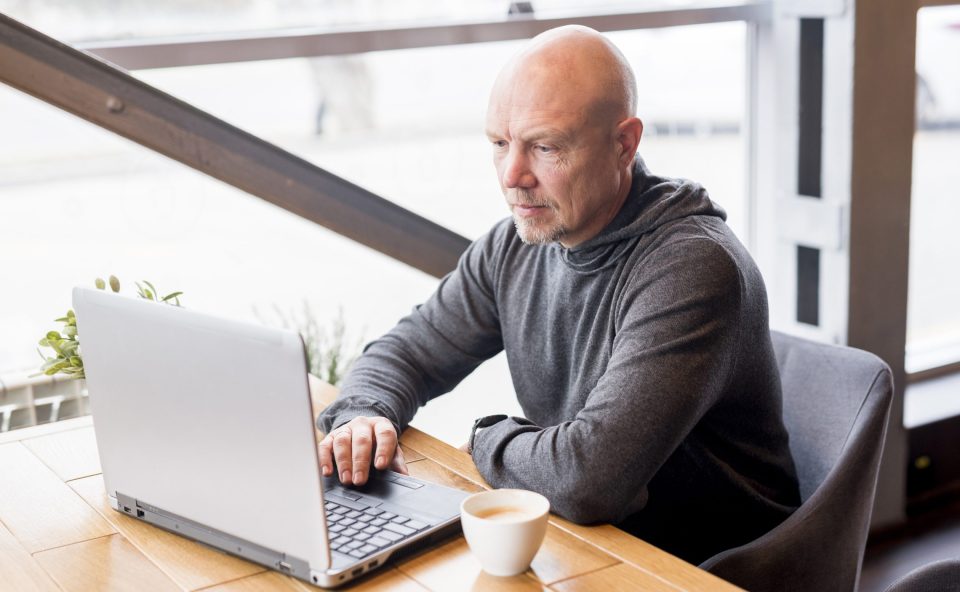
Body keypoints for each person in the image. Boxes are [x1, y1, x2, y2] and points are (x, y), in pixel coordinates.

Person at [316, 25, 800, 564]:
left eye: (545, 147)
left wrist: (484, 438)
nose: (513, 175)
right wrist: (363, 415)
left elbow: (587, 479)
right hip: (587, 541)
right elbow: (408, 352)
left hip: (702, 566)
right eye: (499, 144)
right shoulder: (516, 245)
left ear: (624, 144)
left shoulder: (693, 268)